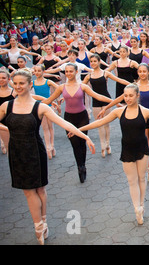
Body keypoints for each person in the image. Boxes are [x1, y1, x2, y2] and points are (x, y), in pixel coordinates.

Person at [0, 70, 95, 245]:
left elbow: (64, 123)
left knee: (40, 189)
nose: (18, 86)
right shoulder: (6, 106)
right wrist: (9, 130)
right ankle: (39, 226)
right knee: (28, 191)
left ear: (30, 85)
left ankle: (43, 222)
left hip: (35, 151)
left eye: (22, 83)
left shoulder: (40, 107)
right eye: (16, 83)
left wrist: (85, 136)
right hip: (17, 152)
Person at [72, 83, 149, 225]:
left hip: (142, 149)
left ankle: (142, 205)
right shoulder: (119, 112)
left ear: (138, 96)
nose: (127, 98)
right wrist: (79, 130)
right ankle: (137, 208)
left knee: (141, 179)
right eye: (125, 96)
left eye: (131, 95)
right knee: (132, 181)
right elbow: (100, 122)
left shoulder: (146, 112)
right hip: (127, 150)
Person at [43, 63, 112, 183]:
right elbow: (48, 100)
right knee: (75, 144)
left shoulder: (82, 86)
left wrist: (116, 101)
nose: (68, 73)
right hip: (69, 118)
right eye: (67, 71)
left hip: (82, 117)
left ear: (76, 72)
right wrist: (30, 103)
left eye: (71, 71)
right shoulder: (61, 87)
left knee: (82, 142)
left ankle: (82, 165)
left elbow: (99, 97)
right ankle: (80, 166)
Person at [82, 54, 131, 157]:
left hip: (107, 101)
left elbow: (119, 80)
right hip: (95, 102)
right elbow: (80, 87)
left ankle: (108, 144)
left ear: (99, 62)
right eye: (91, 61)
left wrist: (132, 85)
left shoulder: (105, 73)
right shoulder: (89, 76)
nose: (93, 63)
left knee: (107, 124)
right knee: (99, 124)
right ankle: (102, 146)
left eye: (95, 61)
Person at [32, 64, 60, 159]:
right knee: (45, 128)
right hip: (39, 107)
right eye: (35, 71)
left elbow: (59, 88)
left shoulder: (47, 82)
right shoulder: (33, 83)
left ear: (43, 72)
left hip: (49, 106)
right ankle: (48, 147)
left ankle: (52, 146)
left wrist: (55, 99)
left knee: (50, 127)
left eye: (39, 71)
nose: (37, 73)